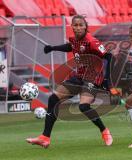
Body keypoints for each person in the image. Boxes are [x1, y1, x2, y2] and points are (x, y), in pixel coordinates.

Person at [26, 15, 113, 148]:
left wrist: (107, 80)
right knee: (53, 99)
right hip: (78, 77)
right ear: (71, 26)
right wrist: (53, 48)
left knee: (83, 106)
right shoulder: (74, 40)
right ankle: (45, 137)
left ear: (85, 27)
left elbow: (109, 56)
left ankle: (104, 131)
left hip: (92, 78)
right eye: (75, 25)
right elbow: (70, 46)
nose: (78, 28)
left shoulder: (91, 41)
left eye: (80, 25)